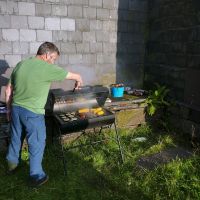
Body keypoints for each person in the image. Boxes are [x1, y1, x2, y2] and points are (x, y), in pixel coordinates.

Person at [5, 42, 83, 187]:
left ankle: (11, 165)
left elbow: (8, 90)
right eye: (53, 59)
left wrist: (9, 110)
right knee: (37, 142)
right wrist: (79, 80)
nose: (53, 62)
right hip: (33, 113)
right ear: (47, 55)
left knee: (16, 138)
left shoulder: (21, 64)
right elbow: (74, 75)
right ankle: (36, 176)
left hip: (16, 109)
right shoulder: (47, 67)